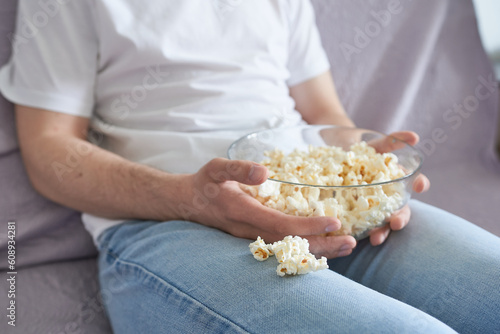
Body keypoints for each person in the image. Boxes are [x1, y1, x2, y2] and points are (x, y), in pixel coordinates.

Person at [1, 1, 499, 333]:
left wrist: (368, 164)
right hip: (162, 227)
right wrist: (189, 198)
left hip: (312, 197)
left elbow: (325, 116)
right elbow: (50, 152)